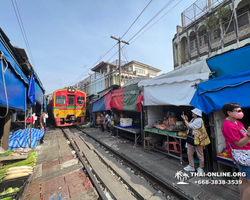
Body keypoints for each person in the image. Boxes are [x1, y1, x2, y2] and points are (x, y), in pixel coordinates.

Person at [222, 103, 250, 200]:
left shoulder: (237, 122)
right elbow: (239, 144)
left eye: (241, 110)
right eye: (238, 111)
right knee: (248, 183)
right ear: (229, 113)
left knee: (243, 180)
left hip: (245, 153)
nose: (241, 113)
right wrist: (249, 135)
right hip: (243, 155)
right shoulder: (228, 125)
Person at [181, 108, 205, 173]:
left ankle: (201, 168)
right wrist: (187, 120)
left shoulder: (199, 120)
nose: (192, 113)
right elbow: (189, 126)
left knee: (200, 154)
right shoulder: (193, 119)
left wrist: (185, 119)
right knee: (189, 153)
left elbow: (190, 126)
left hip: (198, 139)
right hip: (191, 138)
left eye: (193, 112)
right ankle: (191, 165)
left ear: (197, 114)